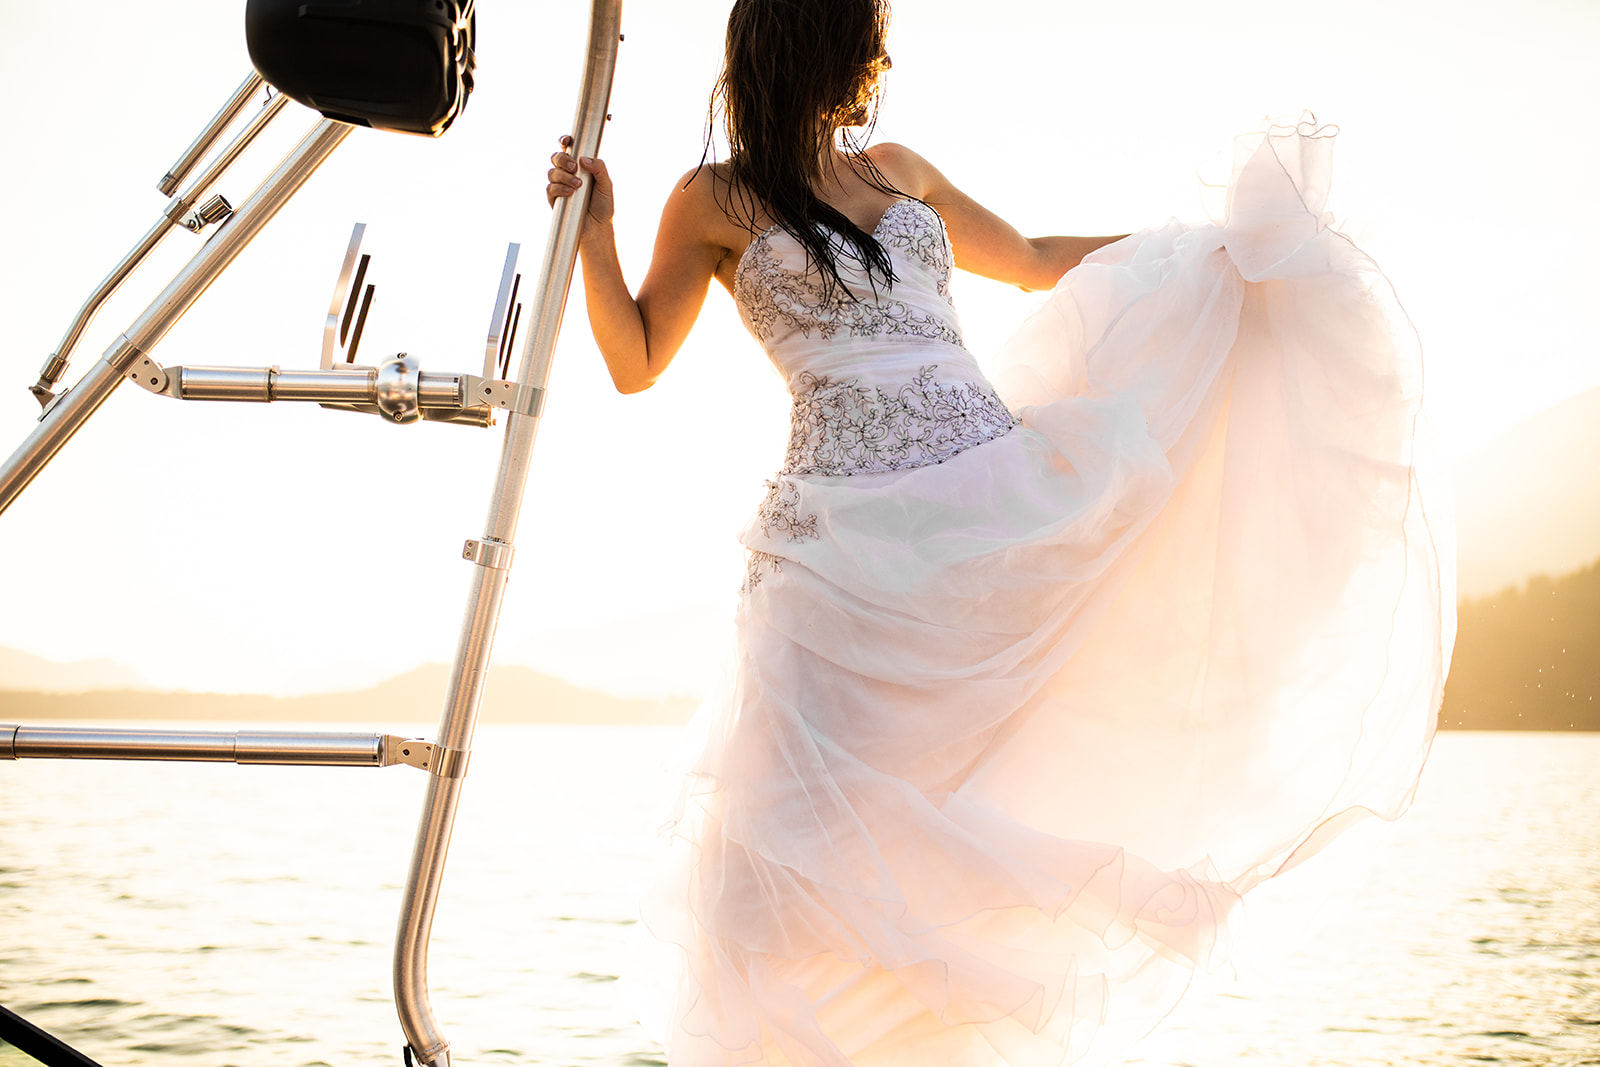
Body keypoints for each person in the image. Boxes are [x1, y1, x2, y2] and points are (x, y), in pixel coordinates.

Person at [546, 1, 1453, 1065]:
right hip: (836, 550)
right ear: (809, 45)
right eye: (863, 40)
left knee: (986, 792)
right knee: (796, 836)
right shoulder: (712, 200)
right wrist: (595, 237)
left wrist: (1209, 250)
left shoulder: (898, 169)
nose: (878, 63)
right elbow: (636, 355)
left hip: (990, 508)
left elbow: (1027, 257)